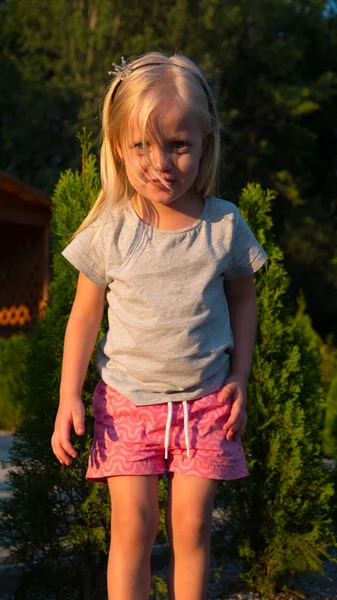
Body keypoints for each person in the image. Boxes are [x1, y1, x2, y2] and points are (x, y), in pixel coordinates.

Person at [51, 51, 267, 600]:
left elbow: (244, 300)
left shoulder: (224, 225)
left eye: (178, 144)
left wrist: (240, 376)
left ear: (205, 141)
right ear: (119, 147)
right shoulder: (110, 230)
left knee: (192, 528)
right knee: (134, 528)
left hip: (207, 405)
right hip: (128, 405)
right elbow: (84, 316)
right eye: (141, 146)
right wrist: (68, 396)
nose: (160, 162)